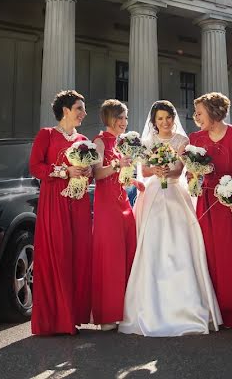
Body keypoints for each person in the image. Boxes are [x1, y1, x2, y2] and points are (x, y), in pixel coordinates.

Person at [119, 100, 222, 336]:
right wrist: (155, 169)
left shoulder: (182, 141)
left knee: (181, 244)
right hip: (154, 193)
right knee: (152, 246)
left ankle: (187, 307)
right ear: (154, 123)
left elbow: (182, 169)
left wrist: (169, 170)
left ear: (173, 118)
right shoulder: (147, 143)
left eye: (168, 117)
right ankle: (148, 309)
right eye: (160, 119)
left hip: (176, 191)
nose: (164, 122)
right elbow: (143, 171)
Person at [28, 90, 92, 336]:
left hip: (79, 202)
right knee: (57, 253)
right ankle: (54, 319)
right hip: (54, 201)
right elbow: (35, 167)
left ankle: (72, 316)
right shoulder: (46, 135)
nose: (83, 114)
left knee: (77, 254)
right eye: (79, 108)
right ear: (65, 110)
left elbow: (88, 169)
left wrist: (84, 172)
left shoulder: (83, 139)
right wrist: (65, 172)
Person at [188, 92, 232, 329]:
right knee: (209, 254)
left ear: (213, 112)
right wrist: (194, 177)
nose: (197, 117)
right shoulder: (195, 137)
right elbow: (190, 173)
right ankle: (216, 310)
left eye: (200, 113)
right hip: (206, 205)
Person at [91, 100, 139, 331]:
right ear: (109, 118)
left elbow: (120, 176)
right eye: (120, 117)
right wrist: (118, 165)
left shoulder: (121, 144)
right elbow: (98, 173)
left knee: (128, 253)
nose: (124, 122)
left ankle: (125, 311)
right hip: (107, 207)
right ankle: (108, 315)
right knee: (111, 260)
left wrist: (135, 181)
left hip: (124, 204)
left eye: (126, 118)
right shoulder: (99, 141)